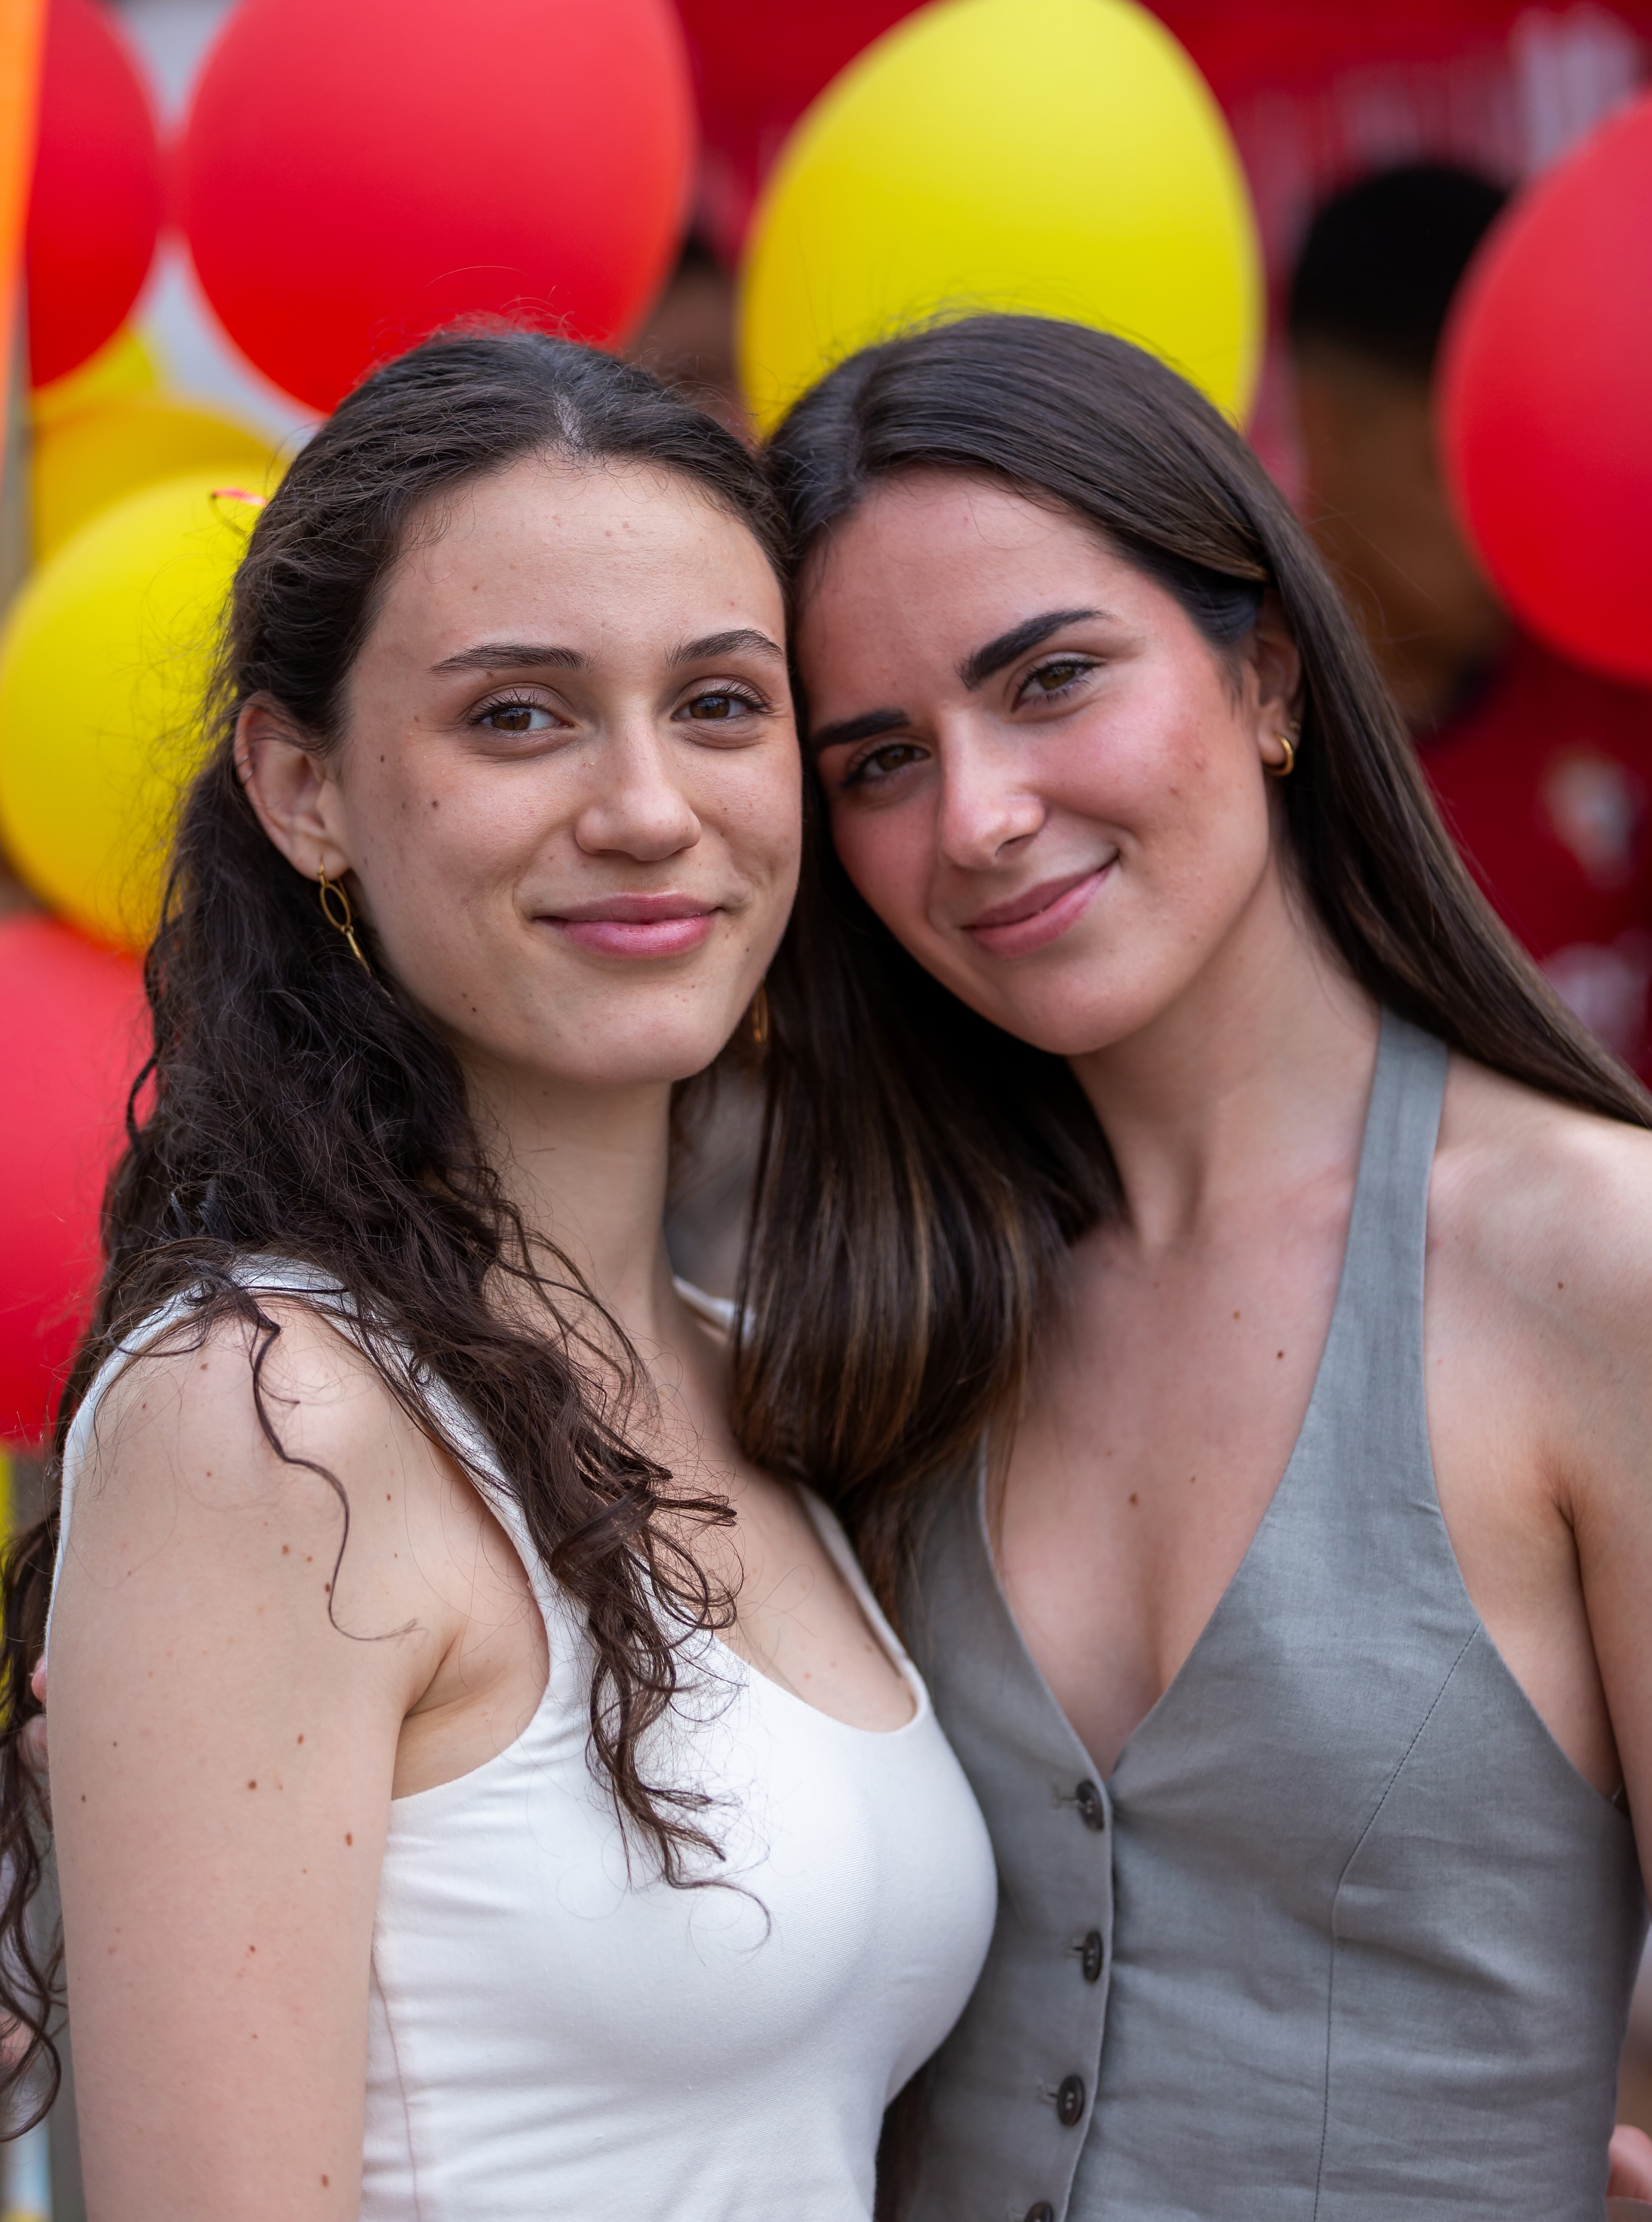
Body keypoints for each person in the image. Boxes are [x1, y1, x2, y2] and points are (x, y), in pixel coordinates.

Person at [0, 333, 996, 2220]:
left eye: (720, 704)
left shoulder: (750, 1372)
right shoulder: (266, 1420)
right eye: (520, 717)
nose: (648, 807)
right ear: (302, 787)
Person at [739, 313, 1652, 2221]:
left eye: (1052, 680)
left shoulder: (1594, 1260)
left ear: (1268, 674)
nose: (980, 816)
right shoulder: (882, 1310)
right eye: (882, 760)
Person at [1289, 161, 1652, 1077]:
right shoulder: (1241, 766)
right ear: (1324, 429)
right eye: (1453, 458)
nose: (1509, 509)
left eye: (1528, 446)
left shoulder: (1615, 667)